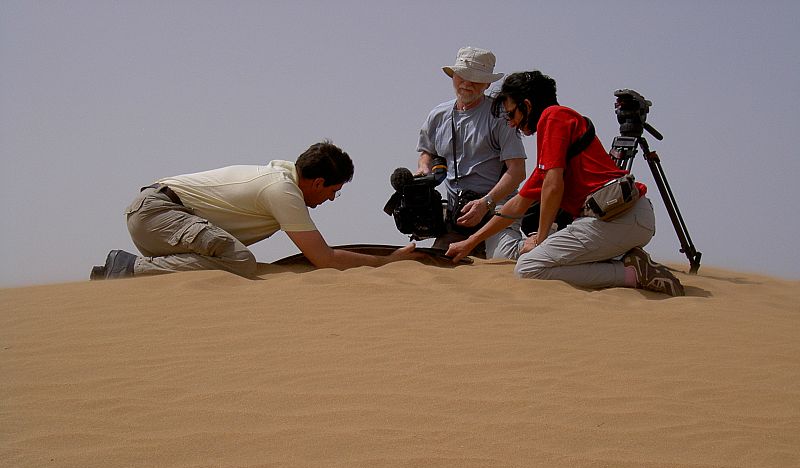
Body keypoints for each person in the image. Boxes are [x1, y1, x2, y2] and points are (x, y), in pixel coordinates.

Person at [446, 71, 685, 296]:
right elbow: (516, 206)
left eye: (511, 114)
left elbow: (553, 186)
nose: (511, 123)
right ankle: (628, 263)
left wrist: (540, 239)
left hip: (618, 218)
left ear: (527, 105)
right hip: (620, 220)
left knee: (528, 267)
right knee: (537, 260)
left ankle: (632, 274)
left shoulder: (554, 116)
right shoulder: (552, 144)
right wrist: (470, 242)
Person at [91, 141, 419, 280]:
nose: (332, 200)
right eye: (334, 191)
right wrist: (387, 262)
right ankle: (127, 269)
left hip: (161, 220)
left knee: (229, 259)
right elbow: (325, 258)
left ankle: (137, 269)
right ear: (317, 183)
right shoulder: (282, 190)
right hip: (158, 214)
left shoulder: (281, 180)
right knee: (240, 261)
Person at [416, 46, 527, 259]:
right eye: (462, 76)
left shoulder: (501, 115)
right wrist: (423, 170)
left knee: (504, 259)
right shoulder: (438, 115)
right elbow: (426, 152)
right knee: (434, 263)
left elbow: (517, 171)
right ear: (453, 76)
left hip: (496, 208)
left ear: (487, 83)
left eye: (476, 78)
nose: (467, 84)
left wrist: (485, 203)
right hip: (457, 212)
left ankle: (541, 240)